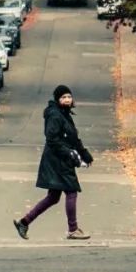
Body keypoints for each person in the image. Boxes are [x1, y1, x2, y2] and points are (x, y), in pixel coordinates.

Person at [13, 85, 94, 240]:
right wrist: (69, 153)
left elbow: (73, 138)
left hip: (60, 159)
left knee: (53, 197)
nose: (67, 99)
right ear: (58, 99)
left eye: (69, 96)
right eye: (63, 97)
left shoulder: (64, 114)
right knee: (71, 191)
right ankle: (73, 229)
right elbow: (52, 139)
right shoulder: (55, 115)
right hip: (57, 160)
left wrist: (85, 154)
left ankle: (24, 222)